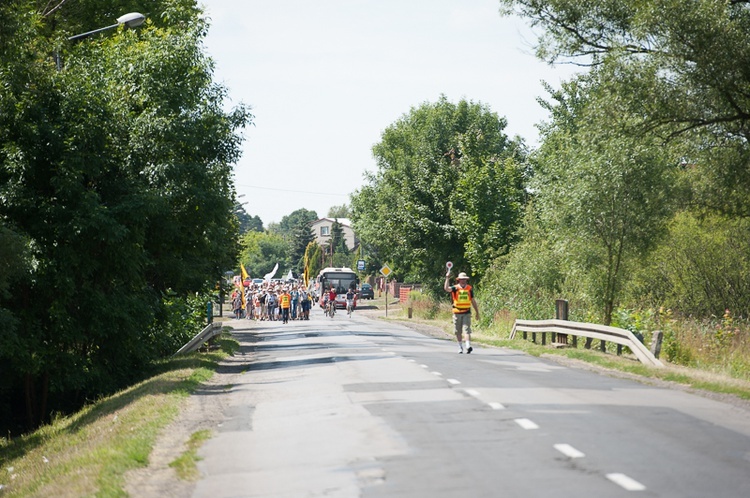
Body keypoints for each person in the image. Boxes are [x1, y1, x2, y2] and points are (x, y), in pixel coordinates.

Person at [444, 271, 480, 353]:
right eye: (461, 279)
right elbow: (446, 289)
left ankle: (468, 346)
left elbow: (473, 301)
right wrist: (447, 278)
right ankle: (460, 347)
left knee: (467, 330)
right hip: (457, 312)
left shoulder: (469, 289)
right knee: (458, 331)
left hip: (467, 312)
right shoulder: (455, 288)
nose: (463, 281)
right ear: (459, 280)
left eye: (464, 279)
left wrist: (477, 312)